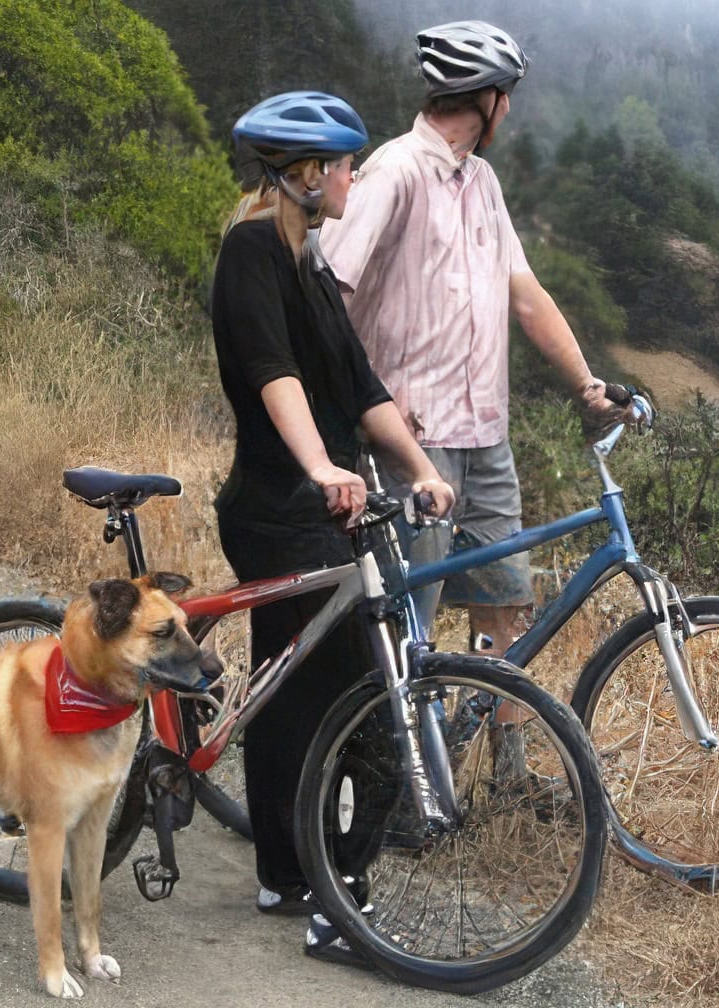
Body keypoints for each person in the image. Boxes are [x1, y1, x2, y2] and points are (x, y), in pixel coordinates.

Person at [210, 90, 455, 963]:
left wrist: (420, 469)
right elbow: (275, 377)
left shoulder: (308, 259)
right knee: (361, 706)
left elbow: (361, 387)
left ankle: (287, 874)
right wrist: (320, 468)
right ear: (308, 175)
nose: (354, 174)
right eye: (345, 163)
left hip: (329, 507)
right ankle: (338, 907)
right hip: (282, 508)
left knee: (292, 694)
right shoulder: (250, 253)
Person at [320, 20, 625, 661]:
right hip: (413, 440)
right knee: (411, 616)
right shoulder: (394, 172)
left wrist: (587, 386)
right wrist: (353, 408)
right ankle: (409, 757)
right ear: (484, 98)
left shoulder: (482, 181)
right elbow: (330, 290)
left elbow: (526, 293)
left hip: (487, 437)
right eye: (505, 94)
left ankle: (504, 755)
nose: (509, 108)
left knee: (503, 601)